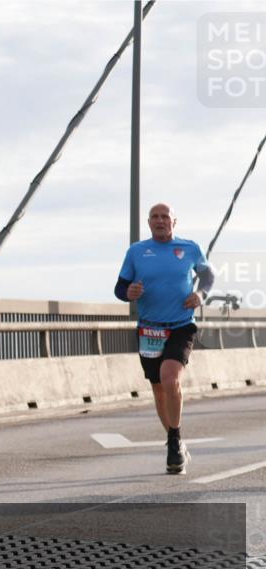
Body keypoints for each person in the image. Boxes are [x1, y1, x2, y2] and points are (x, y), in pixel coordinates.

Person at [115, 202, 215, 474]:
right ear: (149, 223)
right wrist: (129, 293)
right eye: (155, 217)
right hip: (149, 329)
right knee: (159, 390)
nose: (160, 221)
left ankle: (173, 443)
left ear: (174, 222)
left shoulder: (189, 248)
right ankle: (176, 439)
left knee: (171, 379)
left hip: (181, 324)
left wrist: (201, 295)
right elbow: (120, 287)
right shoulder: (136, 252)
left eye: (165, 217)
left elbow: (208, 275)